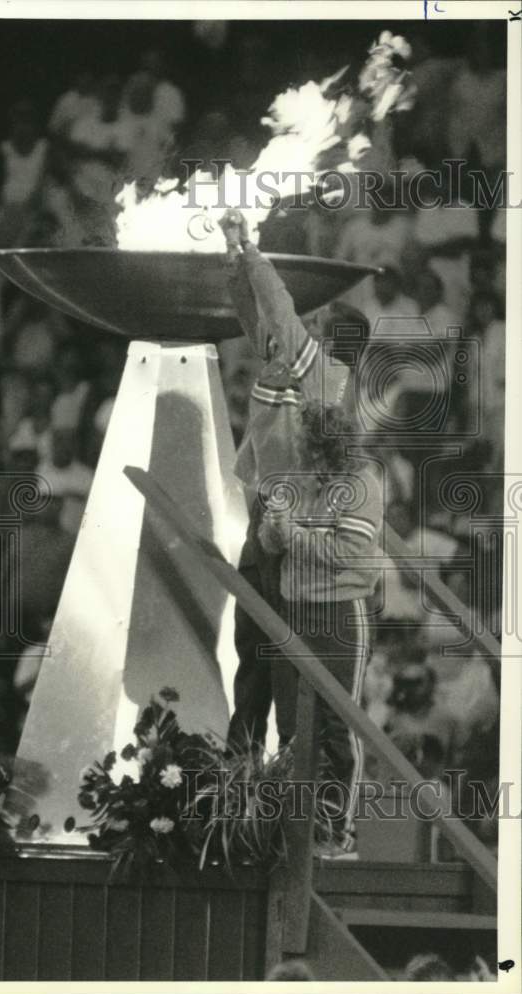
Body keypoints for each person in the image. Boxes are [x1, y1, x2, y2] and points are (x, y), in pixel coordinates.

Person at [219, 209, 383, 859]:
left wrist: (247, 248)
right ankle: (252, 805)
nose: (294, 330)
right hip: (272, 530)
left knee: (290, 703)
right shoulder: (297, 368)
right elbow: (256, 316)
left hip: (287, 534)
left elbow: (277, 308)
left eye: (309, 327)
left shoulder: (318, 373)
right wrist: (237, 269)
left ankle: (309, 826)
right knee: (258, 680)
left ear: (320, 338)